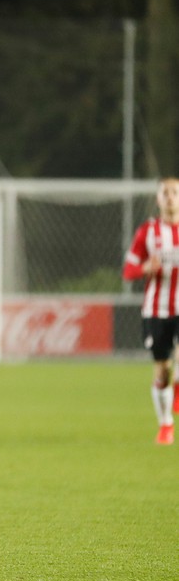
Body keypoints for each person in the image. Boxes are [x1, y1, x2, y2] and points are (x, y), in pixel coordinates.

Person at [123, 177, 179, 446]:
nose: (170, 197)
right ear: (158, 199)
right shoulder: (147, 232)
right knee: (162, 371)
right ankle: (165, 423)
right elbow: (128, 270)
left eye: (175, 192)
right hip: (156, 310)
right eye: (165, 193)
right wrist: (145, 268)